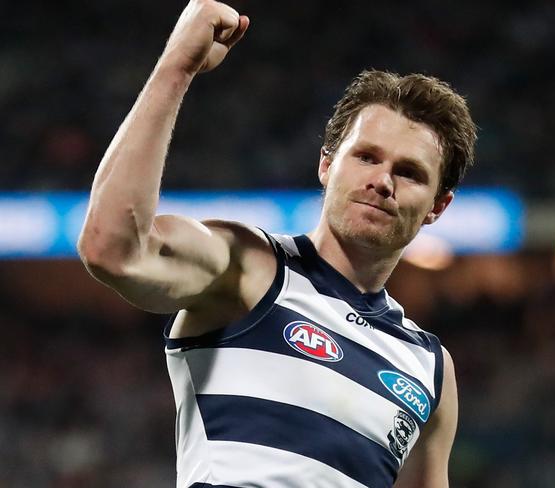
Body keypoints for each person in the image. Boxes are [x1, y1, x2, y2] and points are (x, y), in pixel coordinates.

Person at [77, 1, 477, 486]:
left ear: (439, 206)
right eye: (366, 157)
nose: (381, 181)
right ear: (327, 165)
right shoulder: (247, 265)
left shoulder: (429, 368)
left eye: (408, 172)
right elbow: (111, 248)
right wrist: (177, 67)